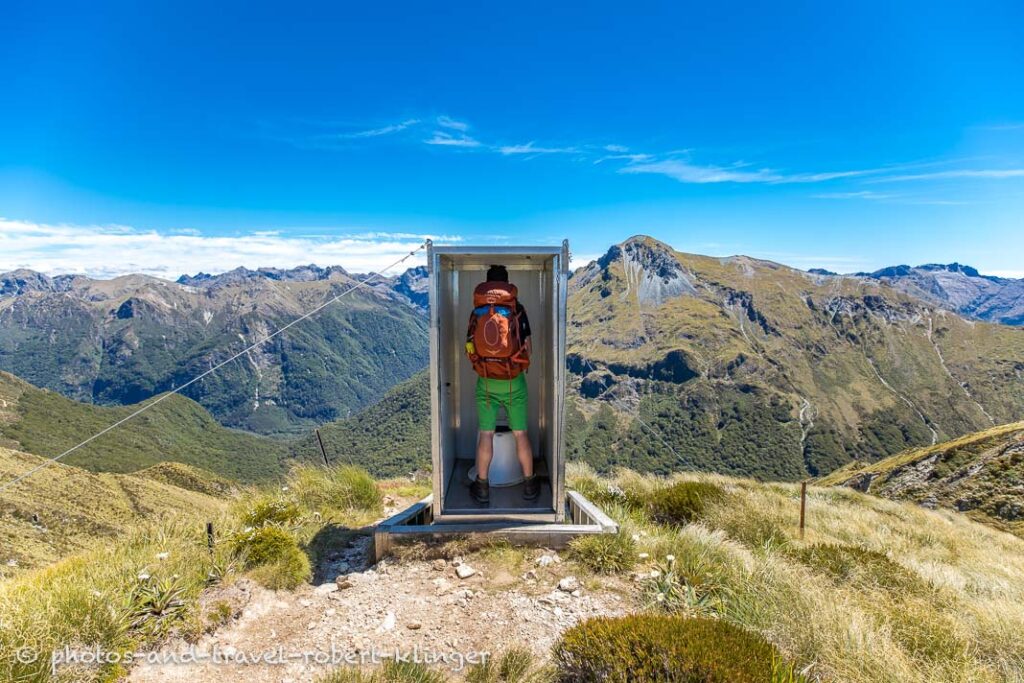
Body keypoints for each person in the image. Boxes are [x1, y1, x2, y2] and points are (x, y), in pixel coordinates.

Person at [464, 264, 539, 504]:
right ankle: (529, 485)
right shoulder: (517, 309)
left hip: (486, 380)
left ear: (487, 284)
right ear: (507, 285)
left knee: (486, 434)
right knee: (520, 434)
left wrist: (482, 363)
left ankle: (482, 487)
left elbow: (469, 345)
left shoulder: (477, 311)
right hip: (513, 381)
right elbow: (527, 346)